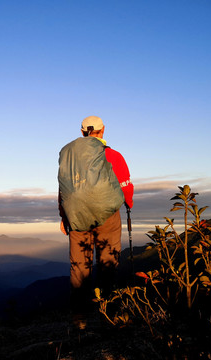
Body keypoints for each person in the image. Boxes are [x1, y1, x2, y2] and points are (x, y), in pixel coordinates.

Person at [58, 115, 134, 314]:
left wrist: (64, 216)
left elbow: (64, 189)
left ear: (82, 132)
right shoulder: (112, 155)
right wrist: (128, 203)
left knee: (79, 266)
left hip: (76, 216)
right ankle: (106, 309)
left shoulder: (71, 159)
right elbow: (125, 185)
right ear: (103, 130)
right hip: (108, 216)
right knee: (107, 259)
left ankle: (79, 317)